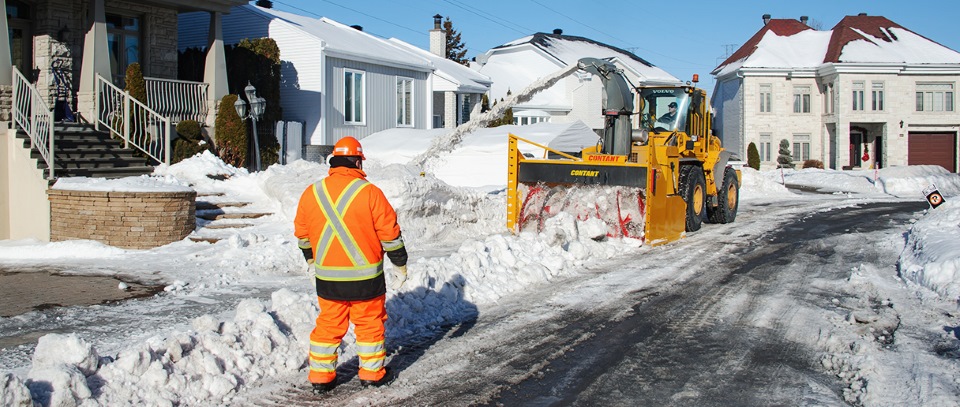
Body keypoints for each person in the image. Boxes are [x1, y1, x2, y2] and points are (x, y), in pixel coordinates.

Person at [294, 136, 408, 394]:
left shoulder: (312, 192)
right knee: (369, 325)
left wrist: (310, 260)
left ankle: (321, 377)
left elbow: (302, 235)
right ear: (357, 161)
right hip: (366, 281)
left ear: (334, 160)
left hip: (328, 280)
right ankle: (371, 375)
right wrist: (400, 264)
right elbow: (390, 235)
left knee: (328, 325)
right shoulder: (370, 193)